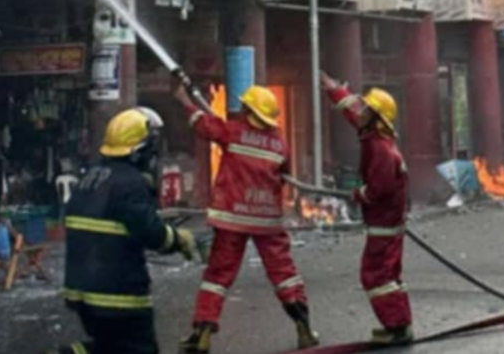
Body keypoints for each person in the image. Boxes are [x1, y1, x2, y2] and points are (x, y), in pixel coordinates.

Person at [175, 83, 318, 353]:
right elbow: (285, 171)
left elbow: (203, 125)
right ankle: (304, 330)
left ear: (249, 110)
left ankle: (202, 334)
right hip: (267, 220)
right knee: (284, 274)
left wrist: (185, 100)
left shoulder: (234, 131)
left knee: (218, 275)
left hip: (232, 218)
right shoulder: (280, 142)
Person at [62, 108, 197, 354]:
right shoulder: (131, 183)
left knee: (111, 349)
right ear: (139, 152)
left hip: (82, 293)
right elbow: (152, 234)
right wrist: (180, 240)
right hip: (118, 297)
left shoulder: (89, 178)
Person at [320, 72, 413, 346]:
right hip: (388, 221)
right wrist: (333, 89)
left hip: (384, 222)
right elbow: (352, 113)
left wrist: (357, 194)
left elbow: (378, 190)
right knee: (389, 275)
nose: (361, 112)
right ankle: (400, 324)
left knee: (375, 274)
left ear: (376, 118)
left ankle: (396, 327)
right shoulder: (374, 137)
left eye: (367, 110)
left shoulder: (382, 151)